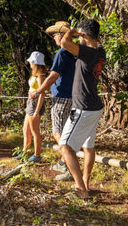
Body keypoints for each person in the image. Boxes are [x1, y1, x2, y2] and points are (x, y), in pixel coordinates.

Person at [57, 19, 105, 199]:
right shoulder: (100, 51)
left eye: (81, 35)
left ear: (84, 35)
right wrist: (81, 34)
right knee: (88, 146)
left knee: (65, 148)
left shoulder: (87, 52)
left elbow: (64, 43)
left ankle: (81, 190)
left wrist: (71, 32)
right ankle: (85, 181)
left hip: (83, 108)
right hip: (94, 107)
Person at [29, 21, 76, 180]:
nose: (54, 37)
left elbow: (53, 75)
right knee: (66, 132)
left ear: (61, 36)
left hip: (62, 97)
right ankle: (64, 162)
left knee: (59, 133)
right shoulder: (75, 53)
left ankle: (70, 169)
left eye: (55, 34)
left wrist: (39, 90)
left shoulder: (62, 53)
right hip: (72, 96)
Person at [17, 51, 47, 163]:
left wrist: (36, 112)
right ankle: (25, 152)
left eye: (31, 61)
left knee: (35, 131)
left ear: (35, 62)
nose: (29, 63)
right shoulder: (34, 74)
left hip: (35, 105)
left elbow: (42, 93)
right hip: (30, 103)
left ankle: (37, 155)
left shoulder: (40, 76)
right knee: (26, 129)